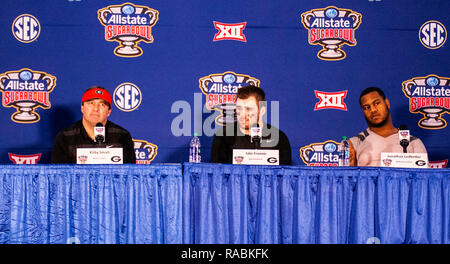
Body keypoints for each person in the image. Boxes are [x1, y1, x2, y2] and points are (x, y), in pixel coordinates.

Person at [51, 86, 136, 164]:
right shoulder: (65, 137)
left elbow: (130, 174)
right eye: (91, 103)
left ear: (109, 111)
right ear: (82, 108)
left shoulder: (122, 136)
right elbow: (58, 175)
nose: (96, 109)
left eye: (102, 105)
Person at [210, 85, 292, 165]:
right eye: (239, 108)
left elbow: (285, 175)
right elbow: (217, 174)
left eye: (248, 109)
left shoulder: (278, 138)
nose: (242, 114)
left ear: (262, 111)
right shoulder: (223, 136)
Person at [348, 86, 427, 166]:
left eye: (377, 103)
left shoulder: (413, 142)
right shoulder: (354, 143)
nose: (373, 110)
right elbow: (346, 176)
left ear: (387, 103)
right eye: (366, 107)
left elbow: (424, 176)